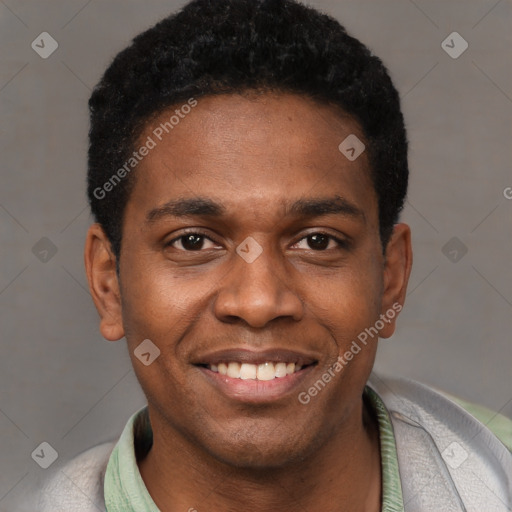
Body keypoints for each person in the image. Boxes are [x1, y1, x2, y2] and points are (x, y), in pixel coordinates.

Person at [25, 0, 512, 510]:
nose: (258, 302)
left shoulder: (492, 475)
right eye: (193, 241)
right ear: (109, 284)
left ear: (390, 278)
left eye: (317, 241)